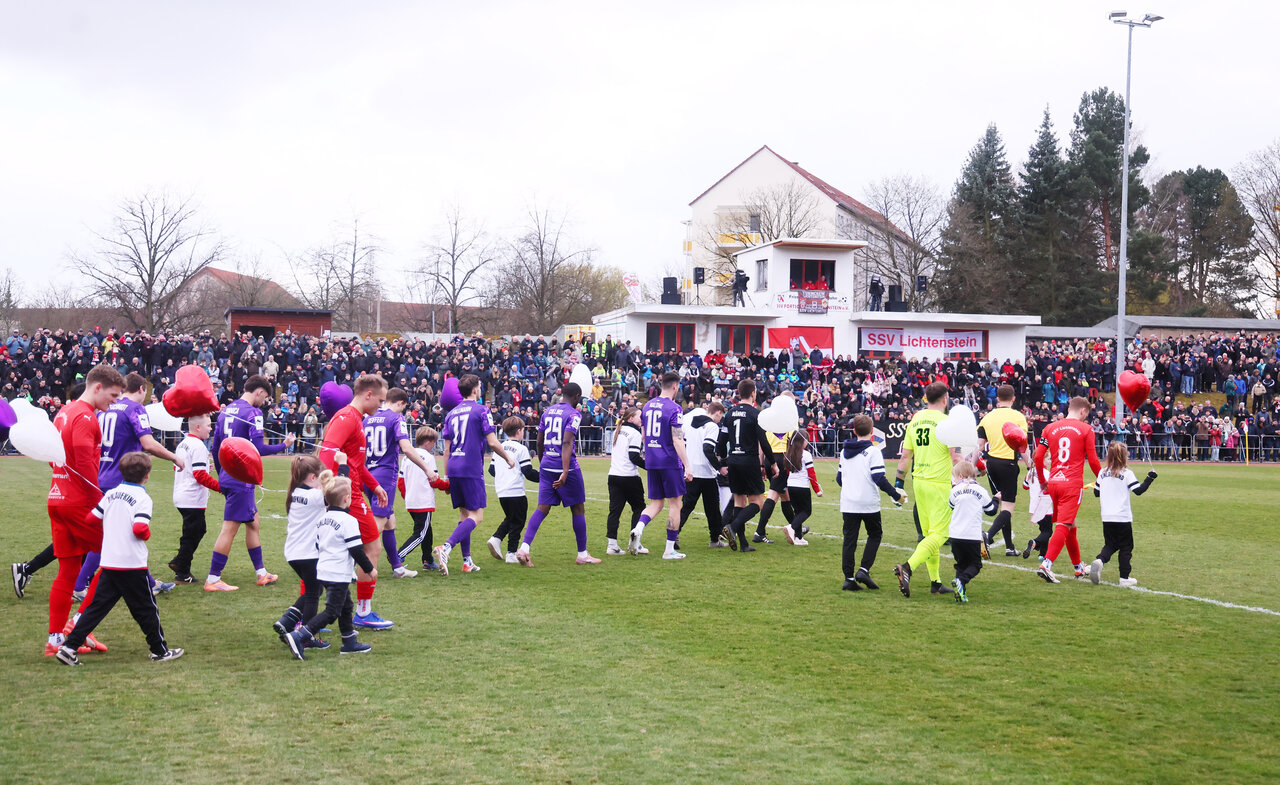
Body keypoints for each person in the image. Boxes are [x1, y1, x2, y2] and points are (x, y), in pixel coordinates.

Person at [56, 452, 184, 665]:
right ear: (147, 475)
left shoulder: (111, 494)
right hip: (132, 563)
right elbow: (140, 528)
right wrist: (146, 534)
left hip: (109, 562)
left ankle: (69, 647)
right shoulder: (143, 498)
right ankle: (159, 651)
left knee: (96, 608)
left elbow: (90, 518)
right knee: (146, 610)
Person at [72, 372, 186, 599]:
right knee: (110, 537)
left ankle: (150, 582)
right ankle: (79, 586)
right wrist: (174, 457)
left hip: (101, 476)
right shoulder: (134, 408)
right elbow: (148, 443)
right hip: (122, 480)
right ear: (142, 389)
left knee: (117, 534)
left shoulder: (106, 408)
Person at [44, 365, 123, 657]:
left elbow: (51, 456)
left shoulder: (63, 412)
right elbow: (87, 469)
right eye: (113, 395)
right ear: (98, 387)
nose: (114, 402)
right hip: (80, 502)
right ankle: (79, 623)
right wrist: (102, 504)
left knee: (67, 570)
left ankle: (54, 640)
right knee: (116, 558)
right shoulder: (86, 417)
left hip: (57, 497)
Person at [205, 375, 296, 592]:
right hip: (241, 478)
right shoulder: (253, 413)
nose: (264, 402)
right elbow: (259, 448)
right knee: (229, 528)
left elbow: (216, 447)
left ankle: (261, 573)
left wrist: (223, 474)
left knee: (253, 522)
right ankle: (213, 578)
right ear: (259, 392)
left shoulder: (226, 410)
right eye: (265, 397)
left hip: (230, 475)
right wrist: (283, 445)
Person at [318, 374, 393, 628]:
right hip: (347, 496)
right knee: (371, 547)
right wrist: (329, 494)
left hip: (354, 492)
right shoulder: (346, 418)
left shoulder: (357, 420)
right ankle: (362, 611)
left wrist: (375, 485)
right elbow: (327, 454)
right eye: (381, 401)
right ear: (368, 394)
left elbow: (355, 464)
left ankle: (337, 611)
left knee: (343, 551)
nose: (381, 407)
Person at [283, 474, 375, 659]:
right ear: (347, 499)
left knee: (346, 604)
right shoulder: (349, 521)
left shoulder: (323, 519)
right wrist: (369, 568)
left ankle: (349, 641)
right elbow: (356, 550)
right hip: (338, 573)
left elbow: (317, 544)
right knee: (332, 611)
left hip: (323, 570)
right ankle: (300, 636)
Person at [434, 374, 514, 576]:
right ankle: (447, 547)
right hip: (470, 466)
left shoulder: (451, 414)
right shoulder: (481, 410)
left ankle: (467, 561)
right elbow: (493, 442)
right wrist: (508, 458)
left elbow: (446, 450)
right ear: (476, 390)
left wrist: (446, 476)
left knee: (464, 514)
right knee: (477, 516)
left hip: (453, 466)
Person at [516, 383, 601, 565]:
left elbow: (539, 441)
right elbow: (567, 443)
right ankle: (582, 554)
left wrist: (542, 462)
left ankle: (524, 548)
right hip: (566, 467)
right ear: (577, 396)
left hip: (547, 464)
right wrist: (564, 471)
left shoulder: (547, 412)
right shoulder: (574, 414)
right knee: (578, 508)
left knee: (542, 508)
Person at [892, 383, 962, 597]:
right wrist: (968, 478)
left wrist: (898, 484)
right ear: (945, 399)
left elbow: (905, 456)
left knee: (930, 534)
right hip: (939, 483)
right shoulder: (947, 422)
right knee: (941, 533)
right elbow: (956, 457)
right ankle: (908, 567)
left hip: (919, 482)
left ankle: (936, 582)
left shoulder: (915, 420)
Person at [272, 453, 347, 651]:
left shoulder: (296, 491)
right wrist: (342, 465)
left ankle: (288, 621)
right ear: (312, 478)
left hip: (294, 553)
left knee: (315, 589)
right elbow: (340, 491)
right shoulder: (314, 497)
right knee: (314, 593)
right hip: (308, 554)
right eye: (320, 477)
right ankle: (305, 636)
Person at [362, 388, 435, 579]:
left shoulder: (368, 418)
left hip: (367, 474)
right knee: (377, 524)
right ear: (400, 403)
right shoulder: (396, 418)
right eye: (403, 408)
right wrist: (426, 468)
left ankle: (397, 567)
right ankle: (350, 564)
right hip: (384, 475)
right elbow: (406, 447)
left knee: (389, 522)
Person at [1032, 396, 1102, 583]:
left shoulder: (1050, 428)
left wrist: (1042, 480)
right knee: (1064, 524)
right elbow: (1093, 460)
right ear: (1083, 411)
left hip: (1054, 481)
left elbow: (1038, 457)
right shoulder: (1086, 429)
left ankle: (1078, 567)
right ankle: (1046, 564)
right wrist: (1102, 479)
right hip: (1071, 483)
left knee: (1071, 525)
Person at [836, 414, 906, 591]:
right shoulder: (874, 451)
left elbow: (839, 479)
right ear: (872, 431)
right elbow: (878, 478)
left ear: (854, 431)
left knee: (849, 540)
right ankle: (864, 570)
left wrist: (852, 486)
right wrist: (895, 495)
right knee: (875, 534)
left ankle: (849, 578)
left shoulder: (844, 452)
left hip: (849, 502)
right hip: (867, 502)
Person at [627, 372, 692, 560]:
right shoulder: (675, 408)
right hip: (669, 461)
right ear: (675, 386)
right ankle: (669, 549)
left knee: (656, 503)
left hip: (652, 460)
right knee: (675, 503)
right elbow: (677, 439)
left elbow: (644, 436)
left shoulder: (647, 406)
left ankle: (637, 530)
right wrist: (688, 465)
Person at [1087, 442, 1157, 587]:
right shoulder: (1127, 473)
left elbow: (1096, 492)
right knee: (1126, 547)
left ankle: (1100, 560)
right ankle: (1124, 577)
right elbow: (1138, 490)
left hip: (1106, 516)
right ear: (1124, 457)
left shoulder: (1102, 472)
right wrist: (1150, 477)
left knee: (1111, 544)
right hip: (1122, 517)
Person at [718, 379, 777, 552]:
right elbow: (764, 443)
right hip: (749, 460)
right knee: (757, 502)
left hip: (733, 460)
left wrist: (722, 462)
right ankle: (733, 527)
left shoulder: (729, 413)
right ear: (753, 393)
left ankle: (743, 544)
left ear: (739, 392)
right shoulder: (756, 414)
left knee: (739, 501)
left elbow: (720, 442)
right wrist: (772, 463)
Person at [978, 385, 1031, 556]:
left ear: (997, 399)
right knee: (1008, 508)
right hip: (1008, 463)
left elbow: (979, 446)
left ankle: (1009, 547)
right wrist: (1030, 466)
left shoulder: (987, 417)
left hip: (991, 463)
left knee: (1003, 505)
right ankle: (988, 535)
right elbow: (1023, 446)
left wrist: (972, 466)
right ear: (1013, 398)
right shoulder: (1018, 417)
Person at [167, 414, 221, 583]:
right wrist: (222, 488)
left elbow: (184, 467)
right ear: (198, 427)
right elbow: (199, 475)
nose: (211, 428)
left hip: (183, 494)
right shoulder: (198, 445)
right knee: (191, 533)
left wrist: (205, 466)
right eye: (208, 425)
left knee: (197, 530)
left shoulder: (183, 444)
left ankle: (180, 563)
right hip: (191, 497)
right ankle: (182, 570)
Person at [486, 417, 540, 562]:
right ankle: (511, 553)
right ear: (519, 431)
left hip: (501, 490)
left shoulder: (499, 446)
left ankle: (496, 538)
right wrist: (545, 478)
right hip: (516, 491)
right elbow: (528, 472)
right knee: (518, 521)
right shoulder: (522, 448)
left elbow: (491, 470)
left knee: (511, 518)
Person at [947, 460, 1000, 603]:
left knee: (961, 563)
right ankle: (961, 581)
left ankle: (960, 592)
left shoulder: (954, 490)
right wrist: (996, 499)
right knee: (976, 564)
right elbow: (991, 511)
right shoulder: (980, 490)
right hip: (971, 535)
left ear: (960, 475)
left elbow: (951, 505)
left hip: (955, 534)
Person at [677, 401, 728, 548]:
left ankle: (673, 535)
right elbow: (707, 448)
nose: (720, 420)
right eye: (721, 416)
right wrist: (719, 467)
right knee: (712, 509)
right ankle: (714, 539)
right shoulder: (712, 426)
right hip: (706, 472)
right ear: (718, 412)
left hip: (691, 470)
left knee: (686, 506)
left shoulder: (691, 424)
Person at [396, 427, 447, 570]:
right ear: (428, 442)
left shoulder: (407, 457)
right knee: (420, 533)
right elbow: (434, 480)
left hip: (411, 500)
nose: (434, 446)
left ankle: (427, 560)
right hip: (423, 501)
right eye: (434, 443)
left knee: (427, 532)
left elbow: (401, 482)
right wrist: (448, 486)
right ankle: (398, 555)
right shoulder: (429, 458)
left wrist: (407, 497)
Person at [604, 407, 645, 555]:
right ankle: (635, 543)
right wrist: (651, 467)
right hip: (629, 476)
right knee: (639, 508)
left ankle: (612, 545)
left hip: (614, 475)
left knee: (615, 511)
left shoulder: (618, 430)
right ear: (631, 418)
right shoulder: (634, 433)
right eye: (640, 416)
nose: (642, 418)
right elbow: (634, 456)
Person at [781, 430, 822, 545]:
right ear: (801, 441)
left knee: (798, 511)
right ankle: (792, 527)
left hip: (791, 485)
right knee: (806, 511)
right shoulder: (806, 455)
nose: (807, 442)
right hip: (802, 486)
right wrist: (817, 490)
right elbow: (811, 474)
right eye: (806, 440)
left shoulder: (789, 453)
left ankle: (798, 537)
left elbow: (788, 472)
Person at [1019, 464, 1055, 560]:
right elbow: (1052, 489)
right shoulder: (1047, 473)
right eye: (1048, 459)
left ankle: (1042, 555)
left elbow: (1025, 486)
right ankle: (1035, 542)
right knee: (1048, 531)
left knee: (1044, 530)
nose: (1050, 461)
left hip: (1034, 507)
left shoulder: (1030, 472)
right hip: (1045, 506)